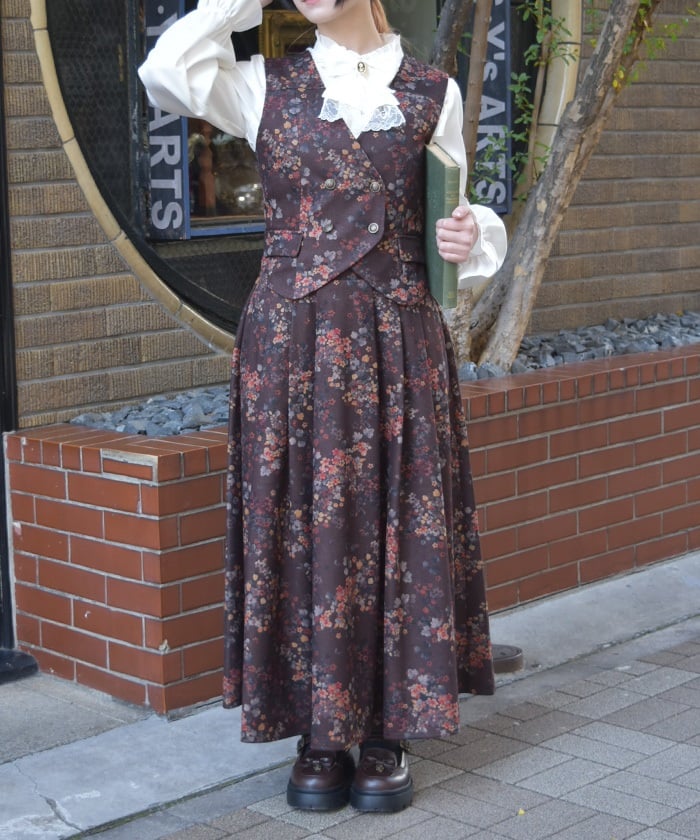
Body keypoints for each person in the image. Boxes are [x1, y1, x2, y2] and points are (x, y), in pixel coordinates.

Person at [139, 0, 507, 815]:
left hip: (399, 338)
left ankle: (384, 729)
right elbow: (164, 73)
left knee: (395, 521)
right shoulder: (262, 83)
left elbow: (456, 212)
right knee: (302, 521)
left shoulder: (431, 90)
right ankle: (317, 728)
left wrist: (470, 235)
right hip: (291, 343)